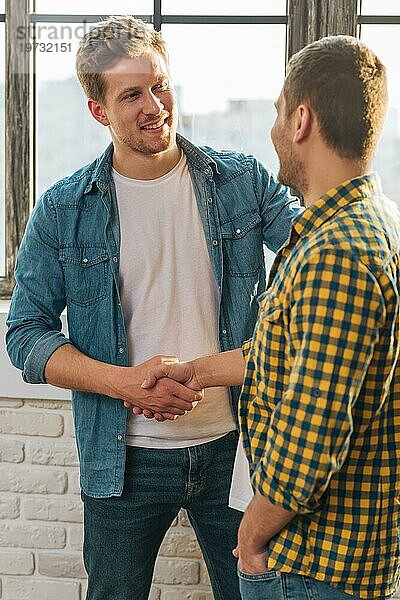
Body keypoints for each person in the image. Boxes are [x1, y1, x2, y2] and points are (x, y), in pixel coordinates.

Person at [5, 16, 301, 600]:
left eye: (160, 85)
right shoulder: (65, 208)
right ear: (98, 111)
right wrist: (125, 384)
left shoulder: (239, 181)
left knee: (260, 594)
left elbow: (316, 247)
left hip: (236, 450)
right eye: (132, 94)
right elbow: (25, 335)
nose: (154, 105)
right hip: (124, 463)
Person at [142, 36, 400, 599]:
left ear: (302, 119)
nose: (273, 129)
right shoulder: (366, 222)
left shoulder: (335, 253)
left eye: (279, 112)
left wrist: (251, 538)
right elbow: (288, 356)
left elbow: (310, 437)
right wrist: (199, 371)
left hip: (313, 565)